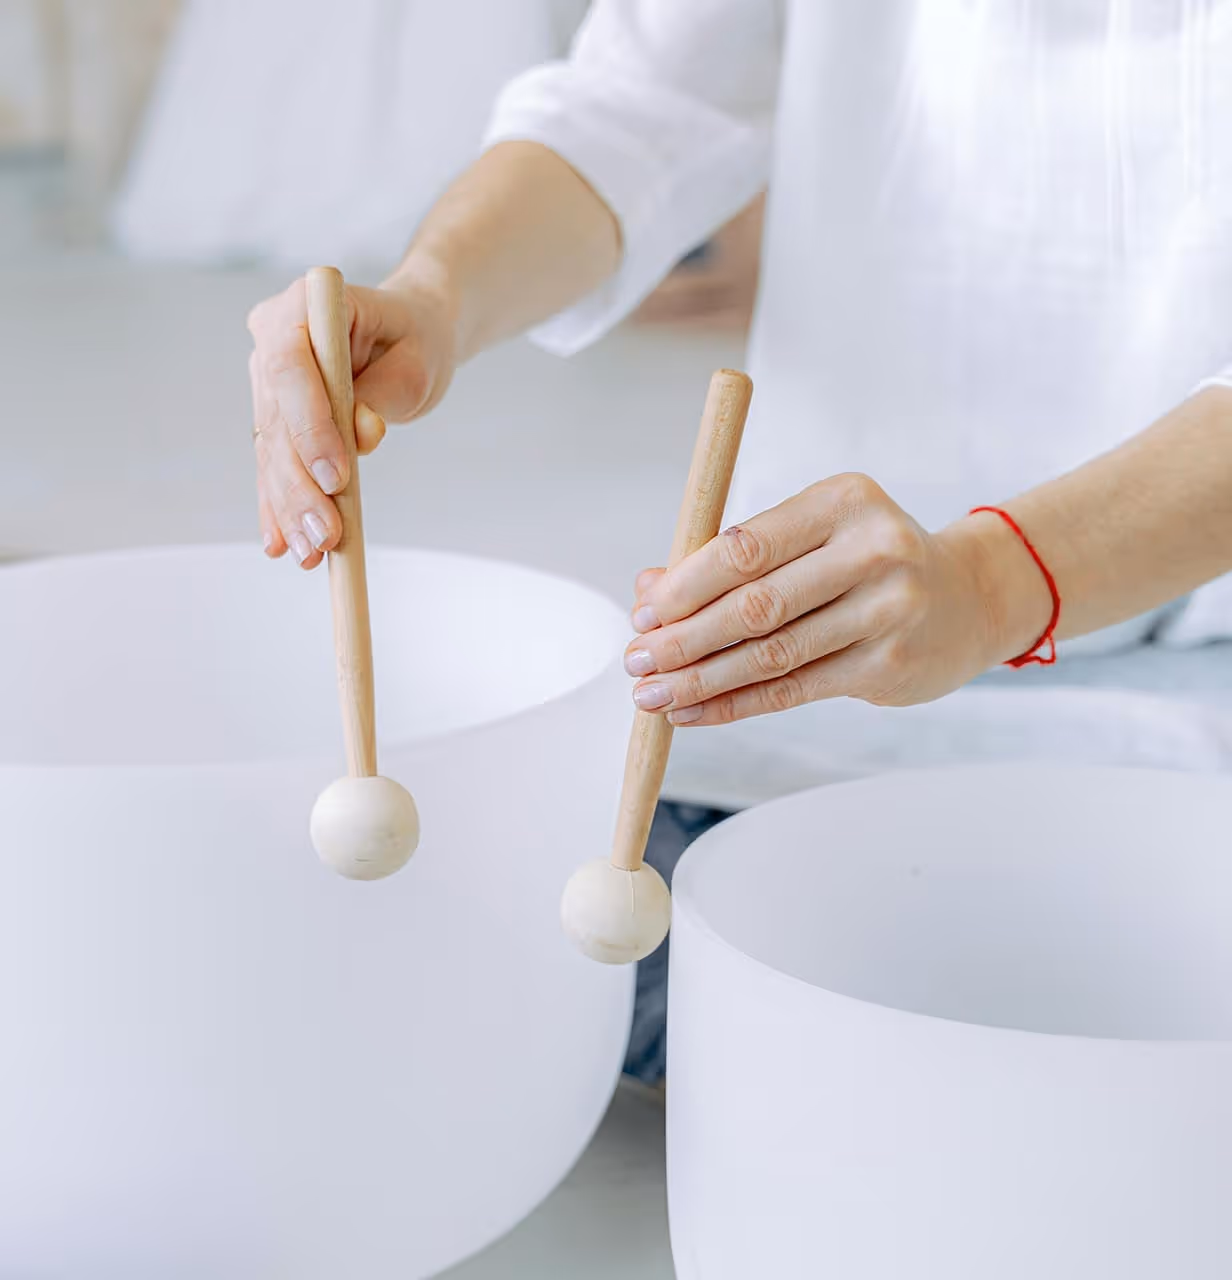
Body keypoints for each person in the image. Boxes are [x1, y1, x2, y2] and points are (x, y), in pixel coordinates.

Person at [248, 2, 1232, 1084]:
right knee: (482, 998)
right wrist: (432, 295)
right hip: (816, 673)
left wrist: (994, 583)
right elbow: (637, 103)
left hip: (1195, 673)